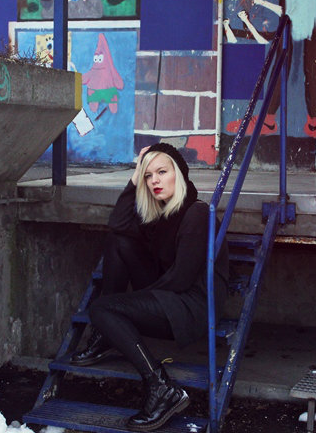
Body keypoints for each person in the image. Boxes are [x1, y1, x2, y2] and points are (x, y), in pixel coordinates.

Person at [69, 142, 230, 431]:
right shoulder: (160, 214)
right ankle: (108, 333)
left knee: (103, 309)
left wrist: (132, 305)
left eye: (162, 172)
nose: (154, 180)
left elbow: (182, 278)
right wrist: (134, 176)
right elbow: (118, 225)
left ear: (179, 174)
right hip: (169, 296)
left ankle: (161, 388)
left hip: (193, 306)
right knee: (118, 242)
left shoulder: (197, 214)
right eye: (148, 175)